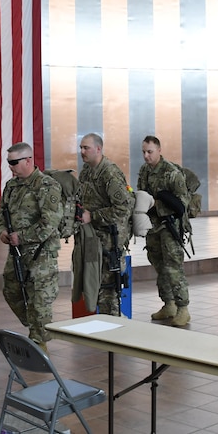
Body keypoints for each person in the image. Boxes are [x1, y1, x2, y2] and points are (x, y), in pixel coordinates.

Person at [0, 142, 63, 351]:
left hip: (42, 252)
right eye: (8, 162)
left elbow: (50, 223)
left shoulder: (47, 186)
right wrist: (2, 232)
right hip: (17, 252)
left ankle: (39, 342)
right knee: (12, 290)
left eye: (14, 162)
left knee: (40, 299)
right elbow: (0, 216)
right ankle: (34, 324)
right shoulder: (11, 186)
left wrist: (22, 237)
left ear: (29, 160)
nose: (11, 166)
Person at [77, 133, 135, 317]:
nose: (82, 152)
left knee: (109, 290)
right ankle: (108, 328)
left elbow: (123, 209)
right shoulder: (86, 170)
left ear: (98, 149)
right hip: (93, 238)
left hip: (111, 240)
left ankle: (117, 330)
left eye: (86, 148)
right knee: (97, 286)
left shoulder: (109, 172)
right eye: (81, 148)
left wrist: (92, 216)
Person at [137, 135, 192, 326]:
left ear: (159, 150)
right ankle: (168, 303)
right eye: (143, 152)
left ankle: (183, 307)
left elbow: (183, 203)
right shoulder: (144, 171)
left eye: (150, 152)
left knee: (173, 268)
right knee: (159, 266)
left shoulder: (171, 173)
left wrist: (158, 205)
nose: (146, 156)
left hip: (169, 226)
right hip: (152, 226)